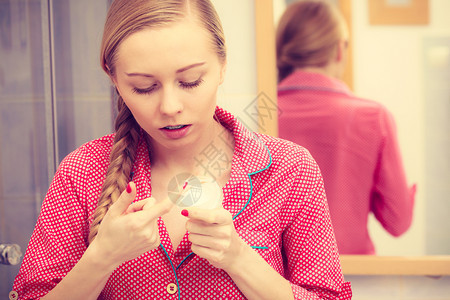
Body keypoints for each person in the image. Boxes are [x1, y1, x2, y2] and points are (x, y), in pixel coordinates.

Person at [11, 0, 352, 299]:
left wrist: (237, 258)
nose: (170, 106)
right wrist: (101, 259)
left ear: (222, 65)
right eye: (144, 87)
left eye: (190, 81)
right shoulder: (82, 172)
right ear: (114, 78)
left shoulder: (289, 170)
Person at [276, 0, 416, 255]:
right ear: (340, 50)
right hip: (352, 278)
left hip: (271, 282)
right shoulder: (373, 117)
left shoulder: (257, 110)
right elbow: (398, 223)